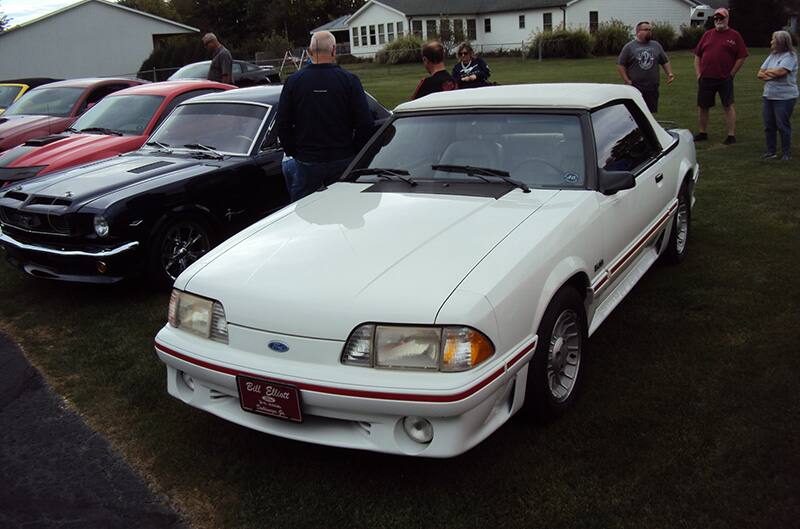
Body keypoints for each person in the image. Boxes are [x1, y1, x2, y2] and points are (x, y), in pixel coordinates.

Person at [275, 31, 373, 202]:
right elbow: (365, 124)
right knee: (342, 206)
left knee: (303, 213)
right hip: (342, 157)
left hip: (307, 160)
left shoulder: (294, 81)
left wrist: (293, 151)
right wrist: (354, 151)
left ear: (310, 51)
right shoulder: (349, 80)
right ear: (334, 50)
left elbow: (282, 123)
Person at [693, 8, 748, 144]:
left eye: (721, 18)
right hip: (706, 78)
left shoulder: (735, 35)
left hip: (724, 78)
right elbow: (697, 55)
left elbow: (741, 56)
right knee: (703, 106)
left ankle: (731, 135)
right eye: (716, 18)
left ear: (727, 19)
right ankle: (702, 132)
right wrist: (698, 74)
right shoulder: (707, 34)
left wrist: (731, 74)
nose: (718, 21)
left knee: (728, 105)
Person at [616, 21, 675, 113]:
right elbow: (621, 65)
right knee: (636, 112)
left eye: (650, 30)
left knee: (650, 112)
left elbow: (665, 61)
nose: (649, 32)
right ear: (638, 32)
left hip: (652, 86)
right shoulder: (629, 47)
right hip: (635, 86)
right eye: (646, 29)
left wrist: (669, 73)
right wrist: (627, 80)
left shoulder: (656, 45)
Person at [757, 31, 798, 161]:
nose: (771, 42)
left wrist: (769, 73)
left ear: (780, 42)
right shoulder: (772, 56)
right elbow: (760, 73)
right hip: (769, 95)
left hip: (785, 97)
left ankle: (786, 153)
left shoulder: (790, 56)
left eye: (773, 40)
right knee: (769, 125)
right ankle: (771, 151)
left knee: (782, 125)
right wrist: (771, 73)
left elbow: (781, 72)